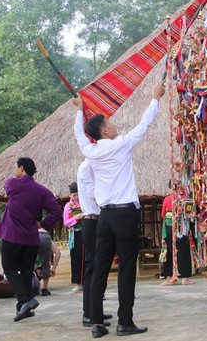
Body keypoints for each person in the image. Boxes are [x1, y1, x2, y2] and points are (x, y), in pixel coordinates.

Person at [86, 79, 165, 338]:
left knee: (100, 267)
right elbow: (144, 125)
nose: (113, 123)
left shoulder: (90, 152)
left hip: (105, 215)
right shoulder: (121, 144)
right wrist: (155, 98)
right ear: (104, 131)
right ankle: (124, 322)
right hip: (124, 213)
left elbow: (79, 136)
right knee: (127, 267)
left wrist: (78, 113)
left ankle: (96, 322)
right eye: (109, 122)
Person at [0, 157, 61, 322]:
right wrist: (44, 224)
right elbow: (56, 210)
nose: (14, 170)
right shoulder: (42, 190)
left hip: (12, 234)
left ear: (21, 168)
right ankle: (23, 308)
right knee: (26, 270)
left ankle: (25, 299)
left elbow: (7, 184)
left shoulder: (13, 184)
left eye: (16, 167)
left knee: (8, 268)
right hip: (32, 236)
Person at [71, 98, 113, 328]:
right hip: (93, 220)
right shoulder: (87, 166)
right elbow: (96, 194)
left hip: (96, 220)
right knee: (93, 268)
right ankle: (89, 312)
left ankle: (95, 310)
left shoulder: (91, 164)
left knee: (99, 267)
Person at [159, 187, 194, 286]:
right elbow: (190, 213)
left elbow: (163, 214)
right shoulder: (187, 198)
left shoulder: (167, 199)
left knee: (169, 251)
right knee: (183, 251)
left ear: (171, 188)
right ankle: (184, 278)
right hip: (183, 227)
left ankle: (169, 278)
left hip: (170, 226)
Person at [63, 182, 84, 293]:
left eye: (78, 194)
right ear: (70, 195)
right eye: (74, 195)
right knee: (76, 258)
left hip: (85, 233)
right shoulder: (68, 206)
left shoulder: (84, 203)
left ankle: (87, 281)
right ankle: (78, 283)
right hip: (75, 234)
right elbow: (66, 222)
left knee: (86, 257)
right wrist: (76, 218)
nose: (76, 197)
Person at [36, 226, 61, 296]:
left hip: (33, 235)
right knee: (46, 262)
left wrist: (36, 268)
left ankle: (30, 288)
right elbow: (58, 253)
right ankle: (45, 289)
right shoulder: (46, 234)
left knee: (30, 257)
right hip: (46, 238)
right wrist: (54, 268)